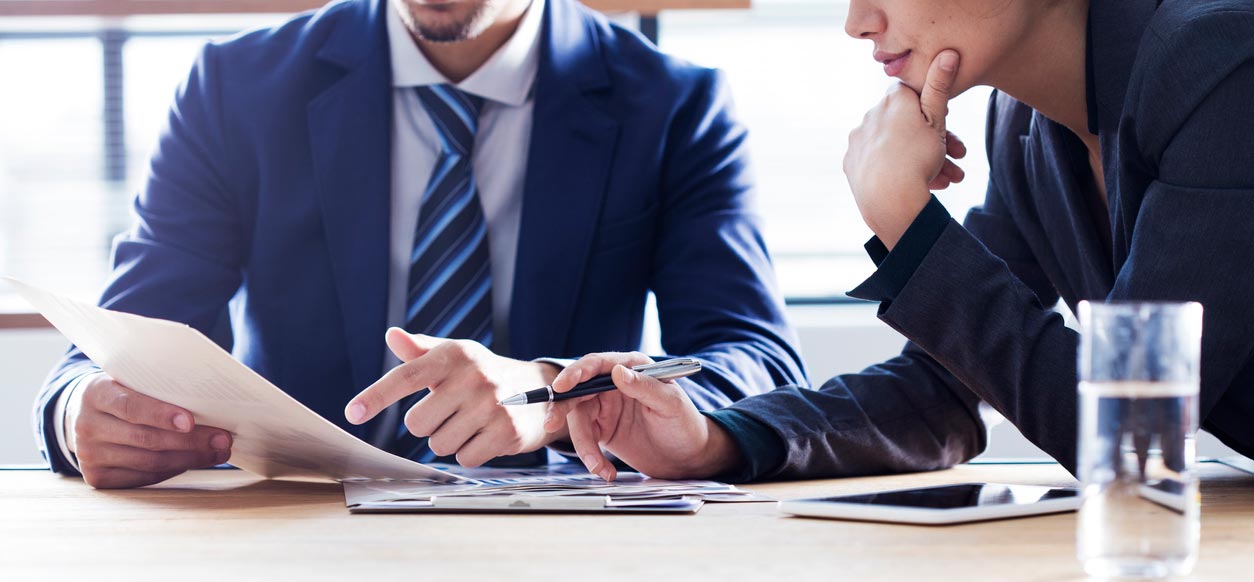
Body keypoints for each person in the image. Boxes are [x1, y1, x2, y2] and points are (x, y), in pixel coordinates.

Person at [33, 0, 808, 489]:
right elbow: (129, 330)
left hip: (563, 534)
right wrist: (80, 415)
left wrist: (558, 396)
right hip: (295, 538)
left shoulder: (675, 105)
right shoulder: (236, 86)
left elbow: (756, 361)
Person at [545, 0, 1254, 482]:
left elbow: (1132, 435)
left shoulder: (1222, 62)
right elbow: (944, 389)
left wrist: (910, 225)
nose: (857, 20)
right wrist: (713, 439)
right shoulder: (1026, 129)